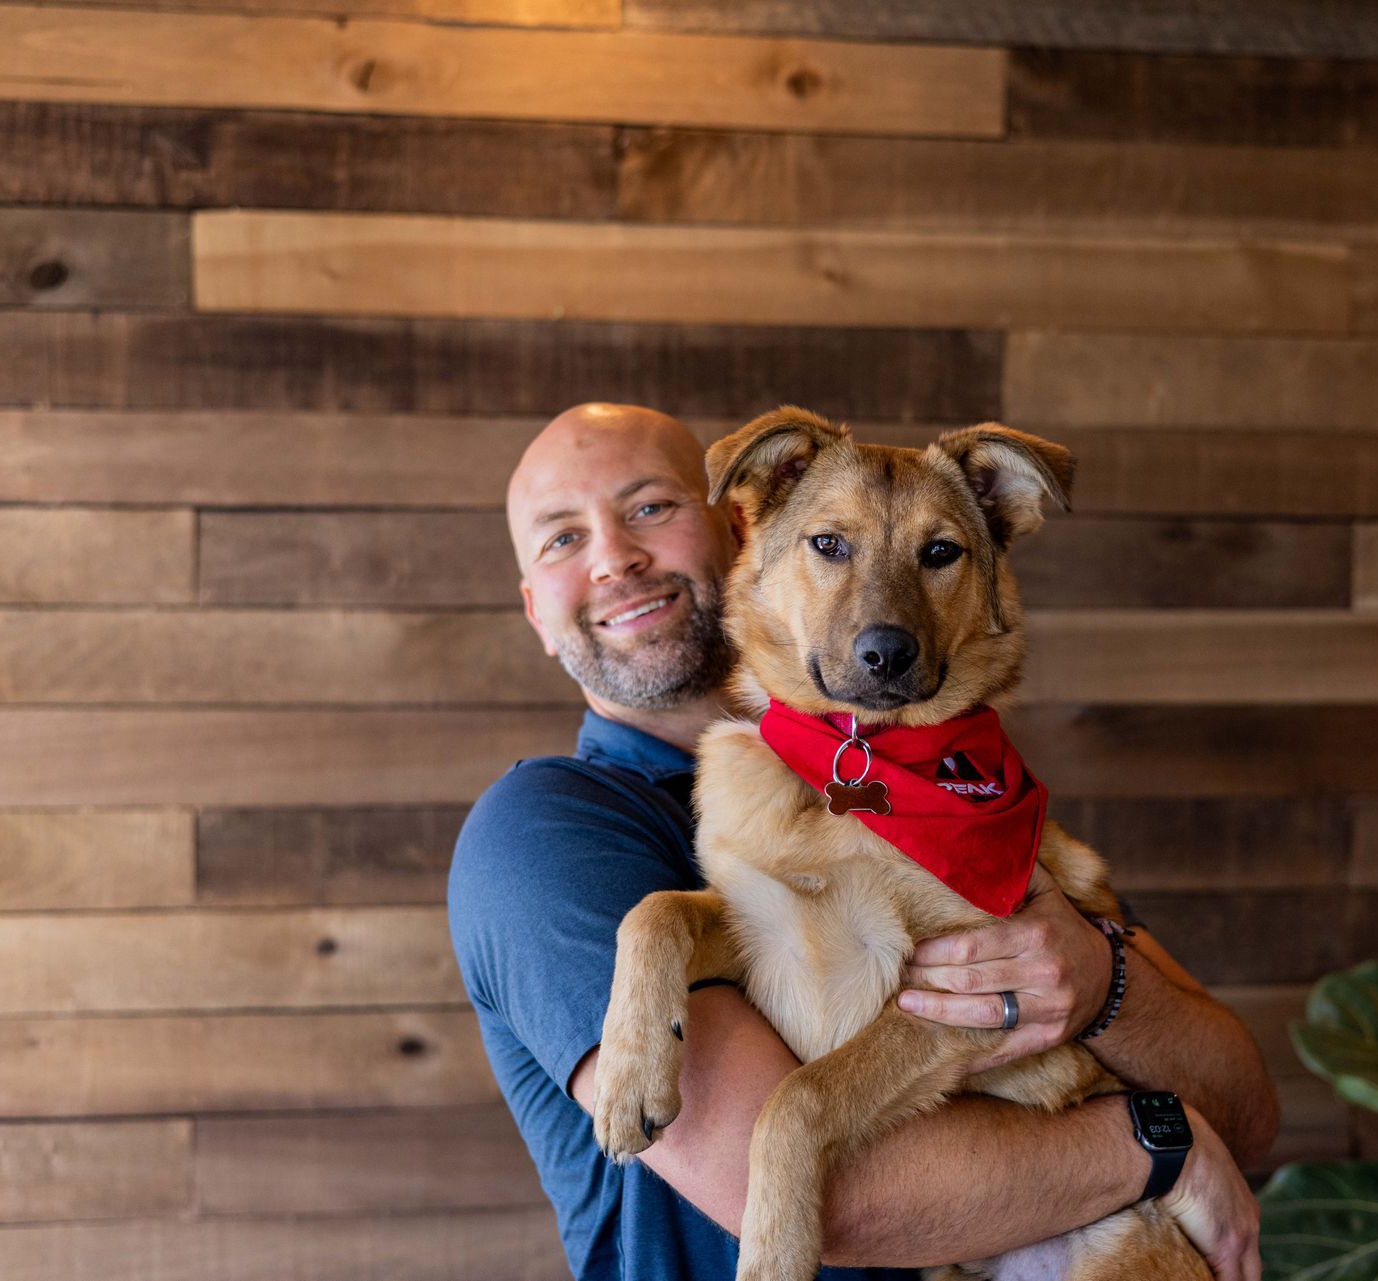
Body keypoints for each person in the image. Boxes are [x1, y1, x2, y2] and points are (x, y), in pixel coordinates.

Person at [448, 403, 1277, 1281]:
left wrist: (1103, 983)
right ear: (536, 610)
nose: (615, 556)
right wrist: (1160, 1149)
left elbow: (1247, 1112)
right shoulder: (545, 828)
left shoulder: (974, 798)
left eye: (650, 506)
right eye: (560, 540)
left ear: (738, 523)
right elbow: (825, 1198)